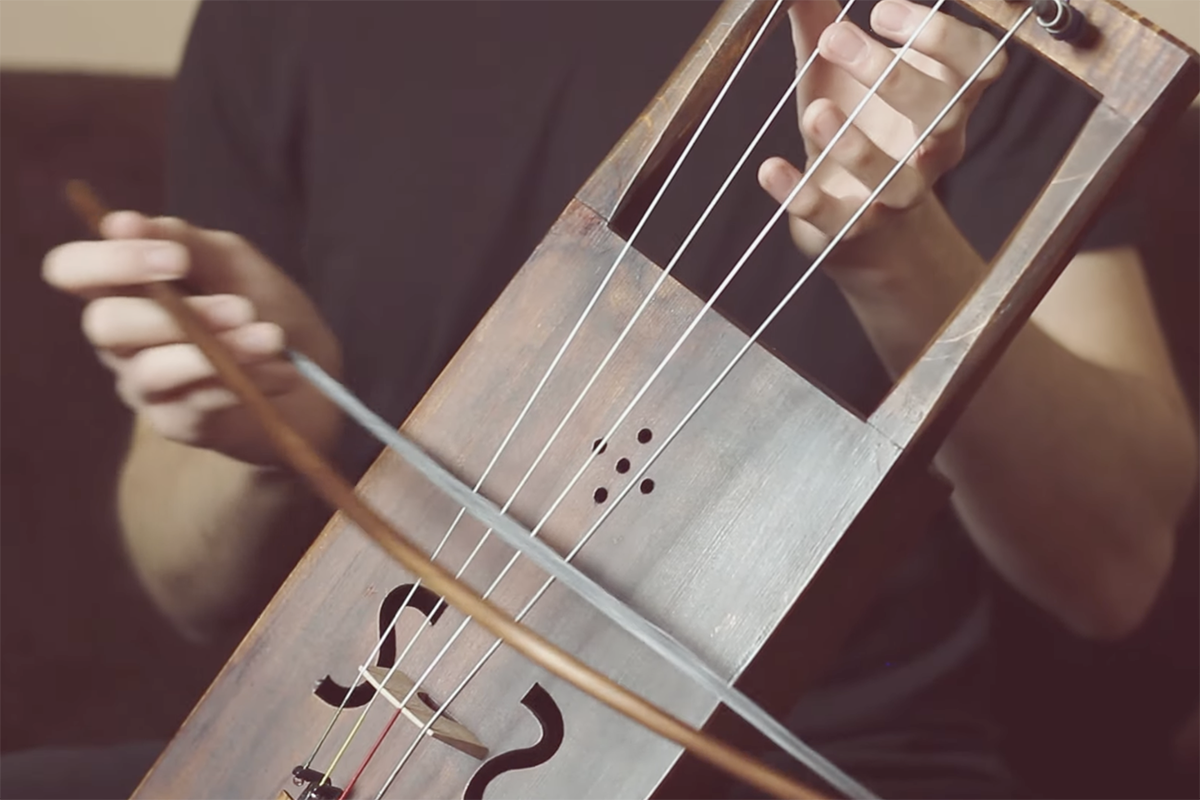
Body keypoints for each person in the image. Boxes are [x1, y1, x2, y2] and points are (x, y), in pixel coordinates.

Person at [35, 0, 1198, 798]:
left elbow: (1113, 568)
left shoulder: (948, 28)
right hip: (355, 727)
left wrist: (900, 257)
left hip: (786, 758)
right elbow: (180, 581)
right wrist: (273, 415)